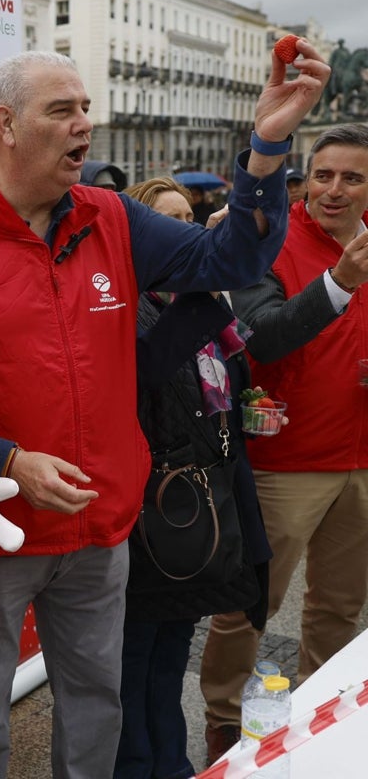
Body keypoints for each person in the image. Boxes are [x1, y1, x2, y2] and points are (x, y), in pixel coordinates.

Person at [0, 44, 327, 778]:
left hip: (101, 530)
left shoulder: (111, 217)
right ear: (7, 125)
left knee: (96, 706)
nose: (85, 124)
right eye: (63, 110)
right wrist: (6, 461)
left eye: (86, 108)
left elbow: (234, 265)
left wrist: (268, 147)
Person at [199, 122, 368, 764]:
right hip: (287, 457)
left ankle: (327, 719)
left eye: (352, 177)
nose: (334, 189)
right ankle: (221, 717)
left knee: (340, 607)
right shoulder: (270, 239)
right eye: (323, 175)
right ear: (304, 178)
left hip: (362, 456)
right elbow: (261, 335)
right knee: (249, 602)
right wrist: (340, 283)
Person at [113, 177, 271, 779]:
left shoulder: (207, 307)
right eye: (169, 223)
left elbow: (222, 391)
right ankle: (138, 767)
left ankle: (171, 765)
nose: (185, 232)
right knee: (134, 662)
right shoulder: (133, 307)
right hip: (152, 518)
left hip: (199, 514)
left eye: (190, 218)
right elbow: (146, 384)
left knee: (170, 656)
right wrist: (196, 301)